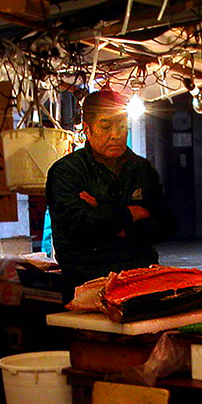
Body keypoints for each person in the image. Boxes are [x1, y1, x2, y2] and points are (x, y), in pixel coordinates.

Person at [46, 90, 177, 290]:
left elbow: (166, 226)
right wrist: (132, 212)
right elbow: (81, 227)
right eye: (106, 127)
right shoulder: (67, 171)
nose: (115, 135)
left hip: (142, 277)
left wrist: (104, 212)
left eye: (122, 126)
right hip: (88, 281)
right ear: (87, 130)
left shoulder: (141, 168)